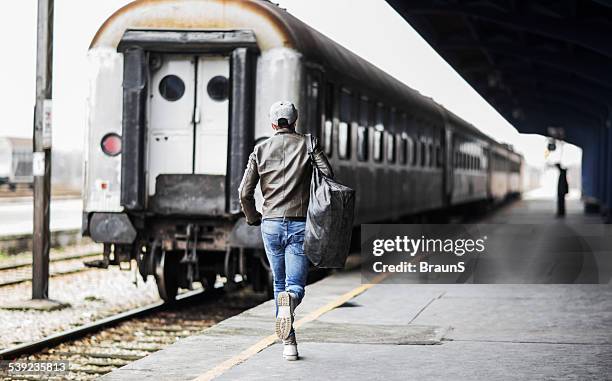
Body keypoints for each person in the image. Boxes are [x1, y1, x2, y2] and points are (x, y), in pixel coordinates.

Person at [238, 101, 333, 361]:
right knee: (295, 287)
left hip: (270, 225)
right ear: (295, 120)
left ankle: (289, 345)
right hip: (300, 223)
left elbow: (244, 192)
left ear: (272, 124)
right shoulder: (307, 143)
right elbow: (328, 174)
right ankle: (290, 306)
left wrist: (253, 217)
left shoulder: (260, 149)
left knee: (278, 284)